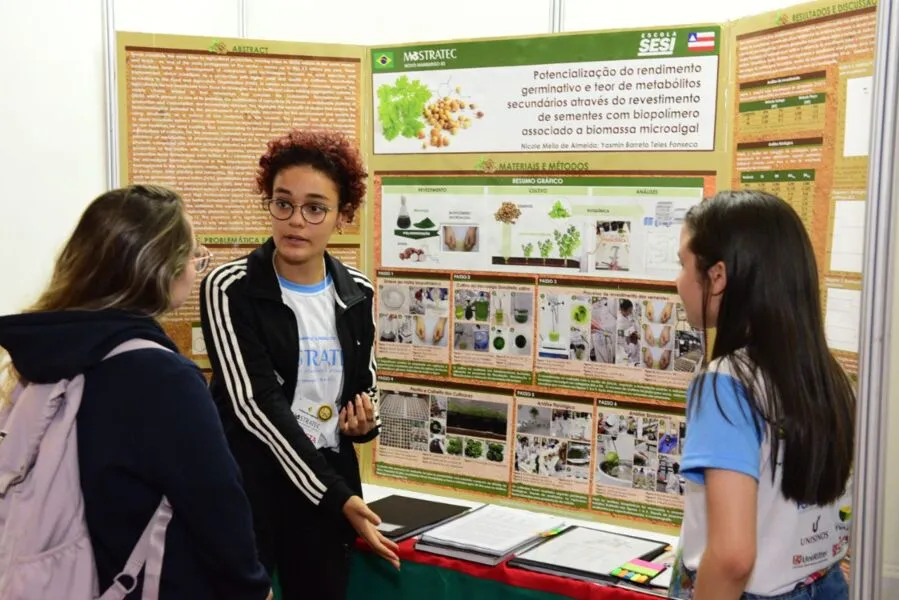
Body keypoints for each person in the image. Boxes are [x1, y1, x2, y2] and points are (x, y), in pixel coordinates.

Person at [0, 185, 272, 599]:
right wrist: (254, 588)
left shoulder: (45, 355)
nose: (195, 267)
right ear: (159, 268)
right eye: (191, 254)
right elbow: (217, 505)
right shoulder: (163, 377)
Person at [199, 129, 400, 600]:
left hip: (327, 485)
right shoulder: (230, 288)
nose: (296, 221)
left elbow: (365, 382)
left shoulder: (357, 290)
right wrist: (336, 495)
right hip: (253, 485)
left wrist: (365, 421)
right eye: (283, 203)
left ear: (341, 216)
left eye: (315, 208)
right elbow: (255, 406)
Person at [669, 190, 854, 600]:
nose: (677, 280)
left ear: (717, 277)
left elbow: (733, 557)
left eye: (682, 264)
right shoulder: (827, 374)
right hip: (824, 585)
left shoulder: (725, 382)